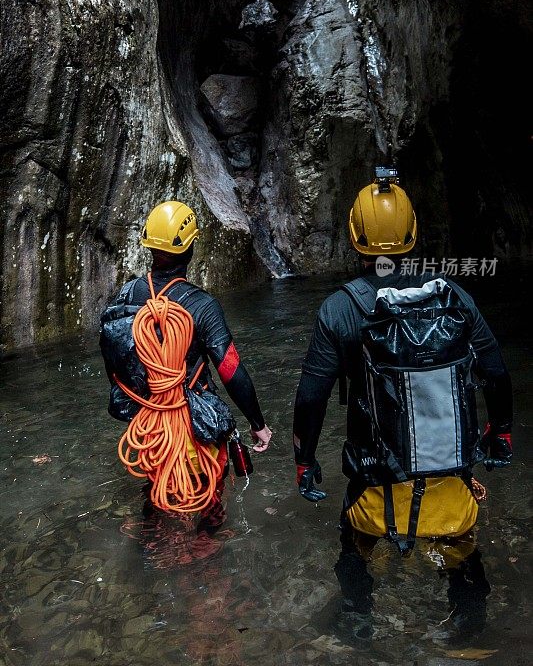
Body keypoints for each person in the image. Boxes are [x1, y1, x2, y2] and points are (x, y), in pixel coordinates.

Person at [293, 169, 512, 640]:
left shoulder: (339, 309)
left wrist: (304, 460)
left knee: (354, 555)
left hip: (375, 492)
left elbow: (311, 397)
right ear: (414, 233)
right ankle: (471, 638)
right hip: (452, 490)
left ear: (355, 236)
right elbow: (495, 373)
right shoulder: (451, 297)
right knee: (463, 569)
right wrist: (502, 434)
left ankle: (358, 631)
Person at [101, 200, 272, 533]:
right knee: (207, 506)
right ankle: (207, 569)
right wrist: (257, 423)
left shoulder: (125, 296)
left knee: (160, 499)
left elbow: (116, 367)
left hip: (150, 431)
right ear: (190, 247)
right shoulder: (200, 305)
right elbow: (230, 370)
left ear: (149, 245)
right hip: (193, 430)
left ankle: (152, 559)